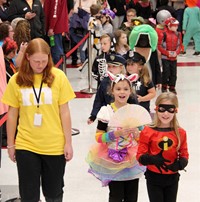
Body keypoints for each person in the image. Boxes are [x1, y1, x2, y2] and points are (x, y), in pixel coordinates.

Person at [1, 38, 75, 202]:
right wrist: (11, 144)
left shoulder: (59, 77)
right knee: (28, 195)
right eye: (36, 61)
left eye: (44, 60)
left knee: (54, 192)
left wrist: (68, 142)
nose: (40, 65)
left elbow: (65, 112)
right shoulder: (17, 80)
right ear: (27, 57)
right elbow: (12, 114)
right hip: (26, 144)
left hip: (54, 145)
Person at [86, 72, 145, 202]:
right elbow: (98, 137)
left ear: (131, 91)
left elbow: (144, 136)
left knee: (132, 194)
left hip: (132, 159)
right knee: (116, 195)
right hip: (112, 158)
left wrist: (137, 135)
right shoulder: (106, 111)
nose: (122, 92)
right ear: (112, 91)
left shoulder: (135, 111)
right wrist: (113, 134)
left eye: (125, 89)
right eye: (118, 89)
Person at [136, 92, 189, 202]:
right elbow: (140, 156)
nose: (165, 114)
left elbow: (184, 152)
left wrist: (181, 163)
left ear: (175, 110)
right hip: (153, 177)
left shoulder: (180, 133)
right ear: (156, 109)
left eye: (170, 110)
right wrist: (151, 159)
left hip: (172, 178)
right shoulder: (147, 131)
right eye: (162, 109)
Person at [88, 53, 129, 124]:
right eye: (109, 66)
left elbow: (132, 99)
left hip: (124, 115)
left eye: (114, 67)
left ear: (121, 67)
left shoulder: (126, 82)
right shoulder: (104, 82)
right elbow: (99, 99)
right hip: (107, 115)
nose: (111, 69)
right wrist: (93, 115)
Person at [157, 17, 182, 94]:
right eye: (174, 26)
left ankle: (172, 87)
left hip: (174, 57)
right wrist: (167, 53)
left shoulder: (178, 34)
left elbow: (179, 45)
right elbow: (159, 46)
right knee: (166, 72)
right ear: (169, 25)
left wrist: (176, 52)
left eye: (177, 26)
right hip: (165, 57)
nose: (176, 27)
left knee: (173, 73)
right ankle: (164, 87)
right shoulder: (163, 34)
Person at [43, 0, 69, 67]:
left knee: (56, 51)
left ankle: (58, 69)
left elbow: (55, 12)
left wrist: (51, 27)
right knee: (56, 50)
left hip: (55, 29)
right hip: (57, 28)